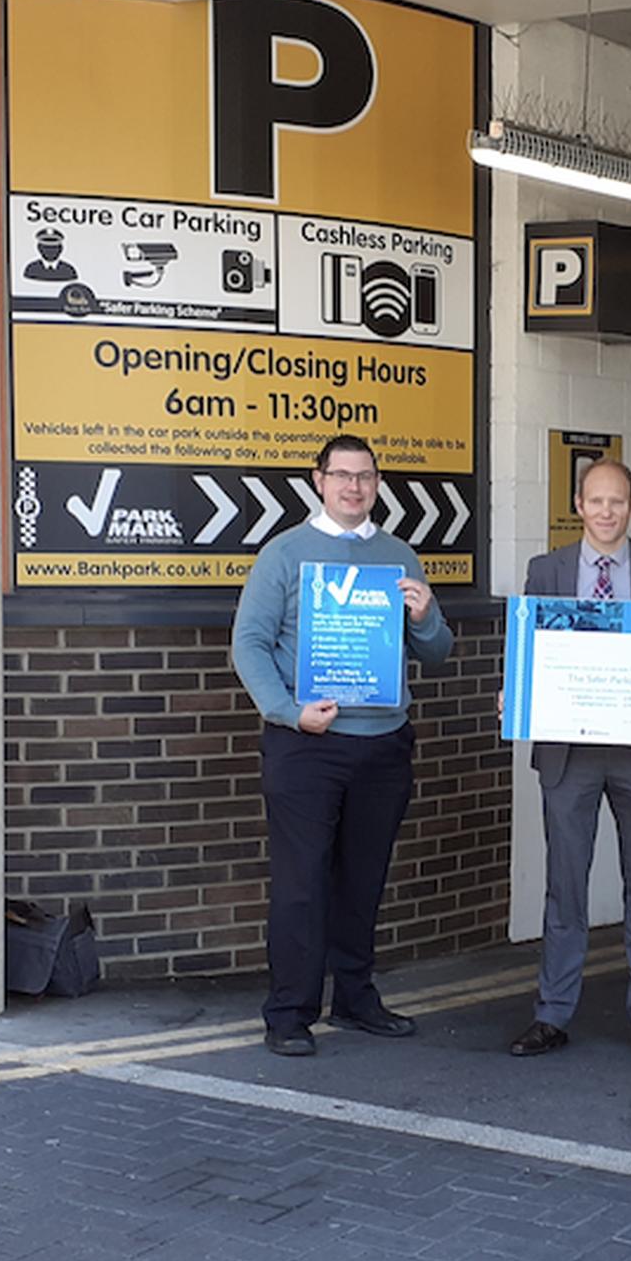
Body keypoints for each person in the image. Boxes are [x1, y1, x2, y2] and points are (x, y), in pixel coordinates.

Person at [231, 434, 453, 1057]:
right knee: (301, 884)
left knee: (363, 881)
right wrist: (287, 710)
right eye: (342, 475)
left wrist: (426, 615)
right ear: (319, 480)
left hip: (382, 745)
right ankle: (289, 1013)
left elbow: (436, 652)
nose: (354, 487)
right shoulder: (284, 554)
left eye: (365, 477)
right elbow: (248, 643)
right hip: (306, 745)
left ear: (377, 484)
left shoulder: (399, 556)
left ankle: (355, 999)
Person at [508, 458, 631, 1067]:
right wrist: (518, 694)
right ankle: (552, 1015)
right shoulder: (547, 570)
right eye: (596, 501)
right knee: (566, 889)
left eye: (618, 502)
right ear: (579, 506)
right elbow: (532, 652)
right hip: (571, 752)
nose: (607, 512)